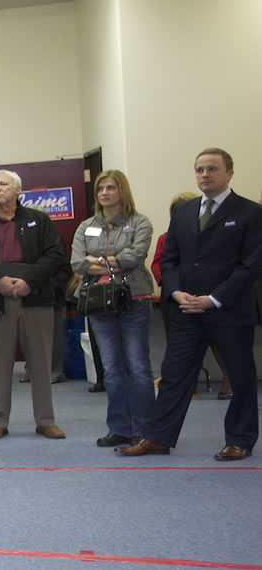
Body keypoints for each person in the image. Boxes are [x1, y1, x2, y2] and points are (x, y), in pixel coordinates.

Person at [123, 148, 262, 461]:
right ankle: (158, 437)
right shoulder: (184, 212)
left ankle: (240, 439)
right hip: (186, 309)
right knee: (174, 375)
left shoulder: (250, 213)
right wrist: (175, 292)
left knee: (240, 377)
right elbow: (169, 259)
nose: (204, 175)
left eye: (212, 169)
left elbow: (251, 266)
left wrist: (214, 299)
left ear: (229, 173)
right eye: (199, 169)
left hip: (228, 309)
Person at [0, 170, 67, 441]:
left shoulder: (39, 220)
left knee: (40, 363)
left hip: (35, 299)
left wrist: (29, 280)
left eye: (3, 184)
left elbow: (55, 256)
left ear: (18, 190)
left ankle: (46, 420)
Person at [70, 171, 155, 448]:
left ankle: (145, 430)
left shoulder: (139, 222)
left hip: (135, 299)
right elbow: (78, 263)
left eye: (111, 187)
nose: (105, 193)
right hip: (98, 302)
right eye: (101, 188)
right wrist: (113, 262)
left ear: (123, 191)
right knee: (111, 369)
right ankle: (119, 428)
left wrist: (99, 261)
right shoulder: (86, 226)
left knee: (139, 367)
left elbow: (136, 256)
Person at [151, 192, 230, 400]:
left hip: (209, 296)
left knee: (219, 342)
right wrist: (173, 288)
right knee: (179, 347)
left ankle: (227, 382)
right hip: (176, 297)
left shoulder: (215, 233)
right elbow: (160, 264)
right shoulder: (165, 238)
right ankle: (187, 388)